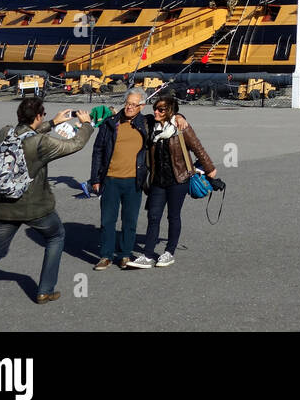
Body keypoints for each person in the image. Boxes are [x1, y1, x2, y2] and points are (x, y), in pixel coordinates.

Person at [0, 100, 94, 317]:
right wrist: (86, 125)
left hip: (4, 206)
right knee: (56, 237)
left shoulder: (4, 133)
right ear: (38, 116)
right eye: (42, 115)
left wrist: (52, 122)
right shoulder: (41, 143)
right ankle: (45, 291)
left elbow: (24, 135)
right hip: (35, 208)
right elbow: (74, 145)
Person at [142, 92, 216, 266]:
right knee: (153, 216)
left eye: (161, 109)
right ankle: (147, 254)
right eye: (155, 108)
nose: (156, 112)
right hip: (157, 180)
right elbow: (139, 116)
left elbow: (197, 148)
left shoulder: (181, 128)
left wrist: (210, 168)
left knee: (173, 216)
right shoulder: (151, 126)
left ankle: (169, 252)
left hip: (179, 179)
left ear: (169, 111)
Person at [90, 88, 155, 270]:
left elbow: (168, 113)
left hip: (134, 180)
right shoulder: (111, 123)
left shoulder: (146, 123)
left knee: (129, 220)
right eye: (128, 104)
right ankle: (105, 255)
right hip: (110, 179)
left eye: (134, 105)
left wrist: (181, 117)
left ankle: (125, 254)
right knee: (107, 220)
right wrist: (95, 178)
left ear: (142, 106)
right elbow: (98, 151)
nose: (130, 108)